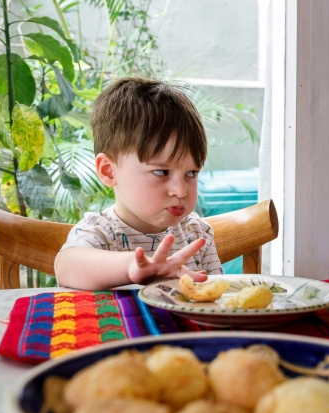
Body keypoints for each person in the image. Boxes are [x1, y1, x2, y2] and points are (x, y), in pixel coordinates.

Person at [55, 77, 222, 290]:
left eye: (191, 173)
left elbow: (214, 297)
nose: (180, 191)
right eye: (162, 172)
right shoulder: (100, 232)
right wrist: (132, 266)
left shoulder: (197, 234)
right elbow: (67, 266)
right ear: (109, 171)